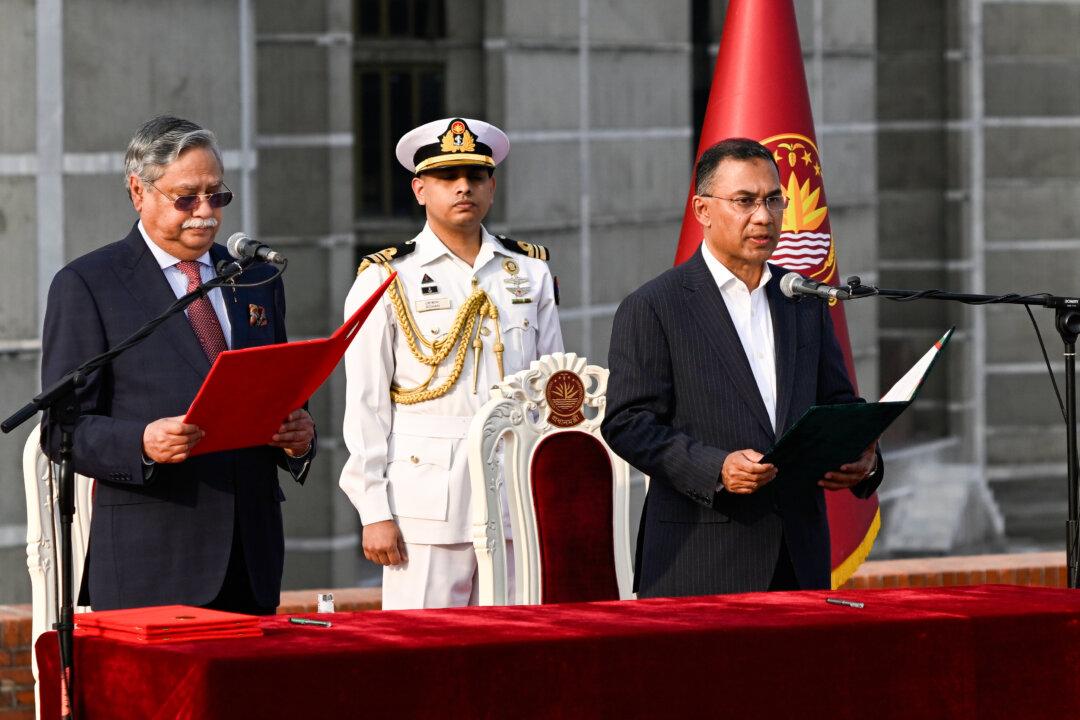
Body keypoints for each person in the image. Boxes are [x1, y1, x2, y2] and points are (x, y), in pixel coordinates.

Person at [40, 115, 316, 614]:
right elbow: (63, 429)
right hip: (153, 555)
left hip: (251, 555)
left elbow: (280, 391)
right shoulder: (89, 283)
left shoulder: (254, 277)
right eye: (186, 198)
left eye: (218, 196)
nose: (206, 213)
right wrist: (141, 442)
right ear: (137, 191)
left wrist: (298, 436)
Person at [601, 138, 883, 598]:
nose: (764, 216)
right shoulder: (655, 305)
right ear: (703, 210)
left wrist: (863, 456)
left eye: (774, 200)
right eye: (745, 201)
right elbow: (628, 424)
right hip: (700, 558)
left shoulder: (803, 299)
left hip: (799, 555)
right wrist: (716, 467)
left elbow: (837, 403)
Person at [340, 117, 563, 609]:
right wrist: (373, 508)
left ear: (492, 186)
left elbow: (550, 392)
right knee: (422, 648)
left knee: (513, 644)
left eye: (476, 176)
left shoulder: (529, 270)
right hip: (424, 500)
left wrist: (551, 493)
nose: (464, 187)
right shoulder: (386, 276)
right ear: (420, 189)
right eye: (447, 178)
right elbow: (365, 403)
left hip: (514, 494)